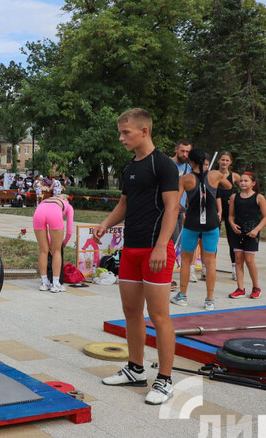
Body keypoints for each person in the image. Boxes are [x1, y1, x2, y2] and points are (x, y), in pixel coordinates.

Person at [94, 108, 179, 405]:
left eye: (125, 132)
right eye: (120, 132)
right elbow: (124, 205)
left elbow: (172, 209)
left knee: (159, 316)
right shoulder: (129, 167)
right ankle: (135, 369)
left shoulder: (164, 165)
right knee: (131, 312)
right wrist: (106, 224)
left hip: (156, 251)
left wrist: (160, 246)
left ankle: (165, 380)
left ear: (144, 131)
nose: (121, 138)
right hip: (130, 250)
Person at [170, 148, 232, 311]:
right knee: (210, 262)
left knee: (186, 260)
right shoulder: (215, 175)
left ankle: (182, 296)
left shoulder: (185, 179)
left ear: (191, 162)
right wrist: (217, 177)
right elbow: (228, 185)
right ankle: (209, 300)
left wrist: (183, 208)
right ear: (204, 161)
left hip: (192, 223)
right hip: (211, 224)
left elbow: (176, 203)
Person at [228, 171, 266, 299]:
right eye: (241, 181)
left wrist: (256, 230)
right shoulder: (235, 197)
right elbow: (230, 215)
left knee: (249, 260)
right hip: (238, 232)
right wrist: (232, 224)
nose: (243, 183)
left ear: (253, 183)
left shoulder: (259, 197)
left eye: (246, 181)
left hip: (251, 233)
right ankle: (240, 288)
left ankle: (256, 287)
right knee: (238, 260)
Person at [33, 194, 74, 292]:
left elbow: (47, 236)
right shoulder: (68, 206)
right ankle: (55, 283)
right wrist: (63, 243)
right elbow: (69, 231)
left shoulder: (46, 200)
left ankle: (44, 282)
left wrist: (49, 243)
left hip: (39, 212)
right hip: (54, 215)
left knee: (43, 250)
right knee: (56, 251)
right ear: (66, 200)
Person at [170, 139, 194, 284]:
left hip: (182, 211)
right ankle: (167, 276)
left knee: (177, 244)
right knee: (171, 242)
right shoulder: (167, 164)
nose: (185, 154)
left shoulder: (189, 167)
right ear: (176, 149)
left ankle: (170, 273)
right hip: (169, 209)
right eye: (182, 150)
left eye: (187, 151)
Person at [216, 152, 241, 280]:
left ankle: (234, 269)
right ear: (218, 161)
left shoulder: (235, 176)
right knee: (213, 238)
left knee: (232, 239)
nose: (224, 162)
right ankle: (207, 267)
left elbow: (246, 186)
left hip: (230, 210)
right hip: (216, 209)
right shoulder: (214, 174)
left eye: (227, 160)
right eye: (222, 160)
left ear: (230, 162)